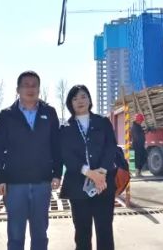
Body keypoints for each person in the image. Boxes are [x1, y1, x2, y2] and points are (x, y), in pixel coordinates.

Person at [0, 71, 61, 250]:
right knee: (15, 235)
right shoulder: (7, 115)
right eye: (26, 85)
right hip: (15, 184)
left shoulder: (49, 112)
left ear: (39, 89)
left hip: (42, 182)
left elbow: (56, 145)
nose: (30, 89)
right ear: (18, 89)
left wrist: (57, 173)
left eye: (34, 85)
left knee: (40, 235)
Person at [57, 85, 127, 250]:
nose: (79, 101)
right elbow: (66, 155)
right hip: (78, 186)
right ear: (70, 103)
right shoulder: (65, 128)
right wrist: (88, 172)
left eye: (83, 96)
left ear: (89, 99)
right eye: (75, 99)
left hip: (103, 184)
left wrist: (101, 172)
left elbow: (110, 148)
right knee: (82, 233)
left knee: (105, 231)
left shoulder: (102, 122)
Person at [130, 113, 147, 177]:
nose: (141, 122)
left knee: (144, 157)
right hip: (137, 146)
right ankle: (137, 173)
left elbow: (141, 134)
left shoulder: (138, 126)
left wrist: (145, 131)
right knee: (138, 159)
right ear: (137, 120)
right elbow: (137, 137)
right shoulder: (134, 127)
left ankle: (139, 172)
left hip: (140, 145)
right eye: (141, 120)